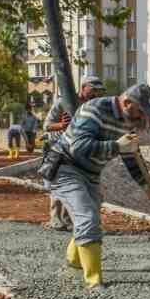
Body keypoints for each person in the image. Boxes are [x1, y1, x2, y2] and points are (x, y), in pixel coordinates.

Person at [44, 82, 150, 289]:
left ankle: (75, 260)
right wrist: (116, 145)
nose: (142, 117)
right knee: (87, 215)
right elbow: (78, 147)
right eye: (141, 111)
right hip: (65, 168)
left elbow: (131, 155)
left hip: (91, 173)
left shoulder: (129, 119)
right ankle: (94, 281)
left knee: (90, 215)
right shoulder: (94, 109)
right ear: (127, 102)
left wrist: (147, 185)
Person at [44, 75, 105, 231]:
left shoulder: (94, 106)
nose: (96, 94)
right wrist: (62, 125)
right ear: (83, 87)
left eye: (99, 91)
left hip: (78, 150)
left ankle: (69, 219)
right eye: (93, 90)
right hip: (58, 148)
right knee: (58, 183)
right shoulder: (63, 103)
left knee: (76, 184)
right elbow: (47, 126)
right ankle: (56, 219)